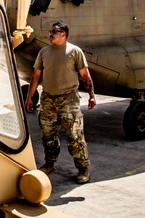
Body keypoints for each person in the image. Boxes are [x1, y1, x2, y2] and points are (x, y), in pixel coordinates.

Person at [25, 21, 97, 184]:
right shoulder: (44, 52)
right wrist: (30, 97)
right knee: (48, 136)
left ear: (63, 34)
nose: (50, 34)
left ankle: (83, 168)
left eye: (54, 31)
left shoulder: (74, 52)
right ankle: (49, 163)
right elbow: (36, 76)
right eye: (50, 31)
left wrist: (91, 95)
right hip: (48, 100)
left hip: (68, 100)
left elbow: (85, 76)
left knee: (75, 137)